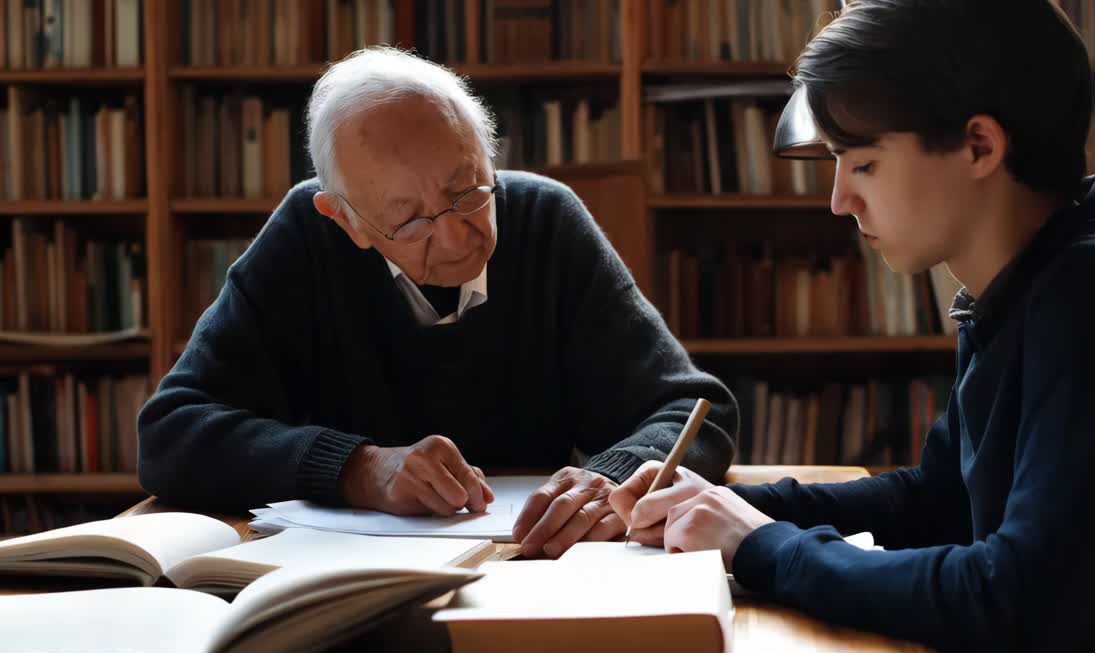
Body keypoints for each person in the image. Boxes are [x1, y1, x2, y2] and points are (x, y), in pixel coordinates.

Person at [610, 2, 1095, 653]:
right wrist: (723, 507)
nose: (840, 200)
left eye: (863, 162)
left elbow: (1013, 604)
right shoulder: (1040, 271)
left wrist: (764, 546)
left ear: (979, 146)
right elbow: (941, 499)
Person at [137, 47, 737, 560]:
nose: (456, 237)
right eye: (410, 219)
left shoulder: (545, 220)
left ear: (490, 155)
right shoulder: (306, 238)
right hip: (339, 584)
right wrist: (359, 469)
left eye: (467, 191)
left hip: (533, 571)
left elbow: (694, 411)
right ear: (347, 220)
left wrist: (609, 480)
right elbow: (171, 435)